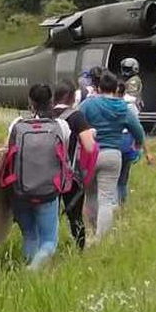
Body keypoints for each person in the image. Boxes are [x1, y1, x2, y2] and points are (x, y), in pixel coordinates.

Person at [3, 84, 71, 270]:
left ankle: (29, 268)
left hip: (20, 190)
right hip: (48, 191)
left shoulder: (16, 125)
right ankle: (32, 273)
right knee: (49, 241)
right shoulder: (61, 126)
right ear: (51, 102)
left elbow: (8, 153)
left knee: (30, 235)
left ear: (30, 102)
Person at [80, 72, 147, 243]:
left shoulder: (88, 104)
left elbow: (78, 124)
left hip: (90, 154)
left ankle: (92, 231)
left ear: (100, 87)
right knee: (106, 199)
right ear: (115, 88)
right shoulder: (123, 107)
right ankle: (101, 239)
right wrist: (138, 145)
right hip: (112, 155)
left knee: (91, 195)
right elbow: (138, 130)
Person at [52, 80, 97, 249]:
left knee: (50, 215)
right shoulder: (76, 116)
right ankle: (80, 248)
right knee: (75, 216)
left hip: (46, 174)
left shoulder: (45, 114)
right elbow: (89, 146)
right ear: (72, 98)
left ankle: (50, 247)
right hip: (69, 175)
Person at [114, 82, 156, 205]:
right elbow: (138, 130)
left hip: (111, 146)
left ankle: (115, 205)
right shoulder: (129, 105)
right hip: (126, 145)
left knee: (113, 179)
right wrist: (144, 150)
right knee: (123, 178)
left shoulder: (103, 104)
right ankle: (121, 204)